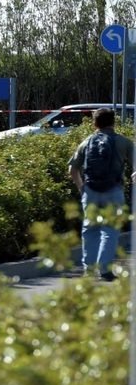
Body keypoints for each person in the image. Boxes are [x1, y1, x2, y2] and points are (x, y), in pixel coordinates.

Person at [68, 108, 132, 280]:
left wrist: (82, 188)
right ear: (113, 122)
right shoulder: (124, 142)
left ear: (94, 123)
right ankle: (104, 270)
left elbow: (72, 169)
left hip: (90, 191)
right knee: (110, 231)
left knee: (90, 230)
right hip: (114, 190)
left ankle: (88, 270)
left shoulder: (86, 142)